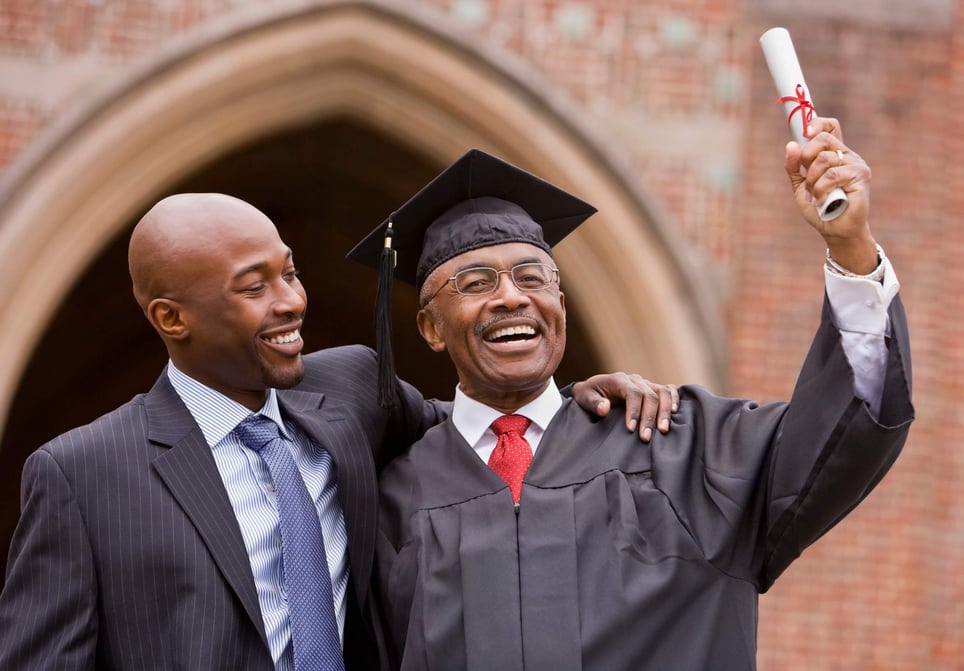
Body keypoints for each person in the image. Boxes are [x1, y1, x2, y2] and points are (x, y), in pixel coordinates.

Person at [0, 192, 676, 670]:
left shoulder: (352, 389)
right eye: (253, 286)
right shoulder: (82, 474)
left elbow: (467, 427)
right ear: (173, 318)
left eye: (288, 270)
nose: (293, 299)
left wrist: (567, 402)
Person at [355, 129, 914, 670]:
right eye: (476, 283)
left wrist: (850, 247)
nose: (511, 297)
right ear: (429, 328)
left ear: (561, 306)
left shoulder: (684, 449)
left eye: (533, 277)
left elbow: (845, 430)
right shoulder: (393, 498)